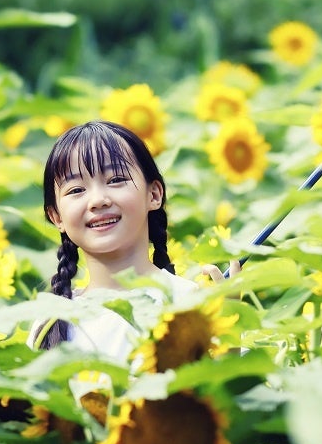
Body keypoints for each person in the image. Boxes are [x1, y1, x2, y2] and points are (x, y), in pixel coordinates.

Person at [37, 119, 217, 358]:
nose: (98, 200)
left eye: (115, 180)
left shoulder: (191, 302)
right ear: (56, 216)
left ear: (154, 194)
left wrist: (230, 337)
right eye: (76, 190)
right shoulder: (49, 323)